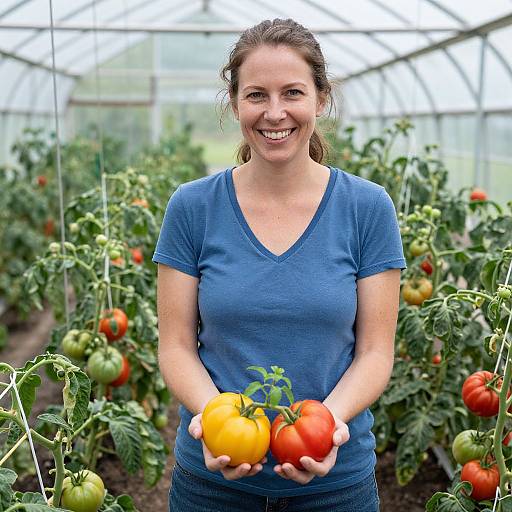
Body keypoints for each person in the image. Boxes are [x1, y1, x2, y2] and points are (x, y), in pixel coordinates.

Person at [153, 18, 406, 512]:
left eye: (292, 92)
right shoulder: (192, 207)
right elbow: (176, 346)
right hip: (211, 486)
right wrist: (214, 422)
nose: (274, 113)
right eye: (255, 95)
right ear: (234, 103)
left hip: (337, 488)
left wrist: (326, 428)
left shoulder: (367, 208)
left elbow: (376, 351)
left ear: (320, 98)